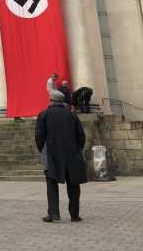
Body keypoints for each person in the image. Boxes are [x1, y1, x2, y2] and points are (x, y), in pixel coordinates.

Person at [35, 89, 88, 223]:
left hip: (52, 154)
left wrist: (43, 150)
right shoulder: (72, 115)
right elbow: (81, 136)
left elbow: (39, 136)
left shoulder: (44, 114)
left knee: (51, 184)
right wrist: (77, 149)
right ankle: (74, 215)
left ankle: (53, 213)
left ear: (51, 100)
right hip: (72, 154)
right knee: (74, 185)